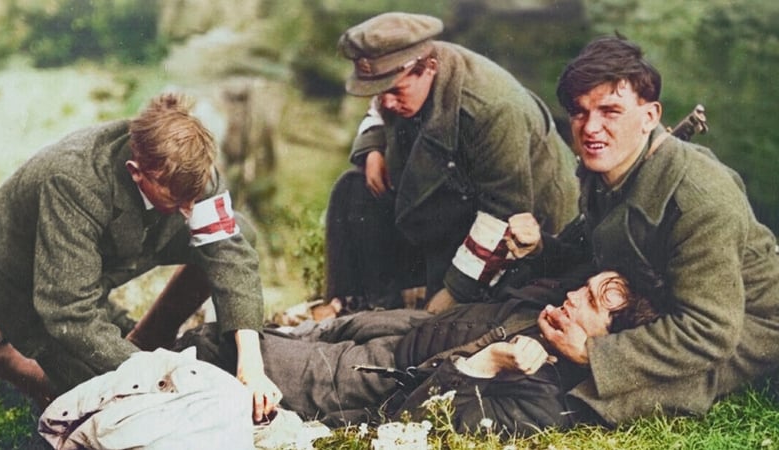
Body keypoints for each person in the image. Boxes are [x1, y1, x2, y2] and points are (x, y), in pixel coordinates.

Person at [517, 35, 779, 425]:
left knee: (568, 398)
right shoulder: (610, 169)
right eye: (579, 111)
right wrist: (541, 248)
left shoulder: (699, 198)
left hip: (743, 325)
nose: (591, 128)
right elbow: (602, 250)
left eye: (610, 110)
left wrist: (594, 353)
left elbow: (710, 329)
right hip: (658, 297)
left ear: (651, 116)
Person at [0, 93, 281, 421]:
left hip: (111, 244)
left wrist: (251, 364)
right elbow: (68, 310)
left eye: (194, 198)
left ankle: (147, 339)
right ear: (136, 172)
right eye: (179, 200)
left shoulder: (189, 168)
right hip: (27, 267)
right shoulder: (74, 180)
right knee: (100, 400)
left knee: (239, 234)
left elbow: (229, 252)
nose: (191, 212)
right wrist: (157, 377)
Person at [180, 263, 660, 436]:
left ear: (607, 344)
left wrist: (486, 364)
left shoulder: (544, 401)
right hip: (399, 329)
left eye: (591, 302)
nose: (574, 296)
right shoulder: (546, 317)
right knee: (261, 336)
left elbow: (418, 420)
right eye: (586, 287)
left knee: (215, 347)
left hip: (373, 374)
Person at [324, 12, 579, 312]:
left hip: (532, 232)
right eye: (381, 92)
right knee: (352, 190)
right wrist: (373, 148)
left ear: (429, 67)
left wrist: (453, 292)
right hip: (459, 197)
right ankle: (358, 306)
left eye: (394, 91)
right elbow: (379, 106)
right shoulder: (405, 72)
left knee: (439, 322)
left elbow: (503, 215)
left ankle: (409, 309)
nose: (388, 101)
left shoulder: (492, 109)